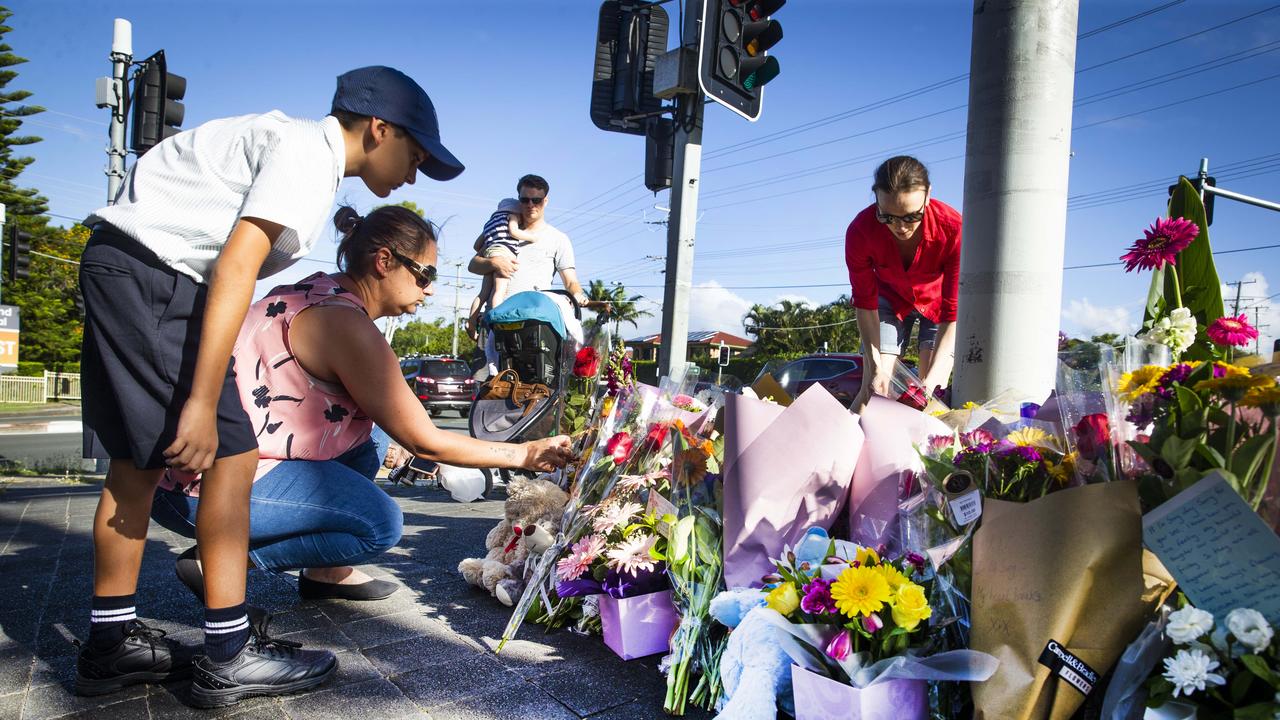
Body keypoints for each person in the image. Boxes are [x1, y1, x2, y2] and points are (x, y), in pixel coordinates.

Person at [75, 65, 464, 707]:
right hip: (156, 279)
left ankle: (112, 642)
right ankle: (226, 654)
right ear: (379, 128)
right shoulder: (308, 157)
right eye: (414, 155)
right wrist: (203, 401)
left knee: (138, 462)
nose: (414, 174)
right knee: (229, 453)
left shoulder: (293, 147)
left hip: (137, 272)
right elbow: (236, 264)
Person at [150, 205, 575, 610]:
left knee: (370, 432)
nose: (430, 288)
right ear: (384, 261)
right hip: (202, 495)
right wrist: (525, 453)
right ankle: (221, 562)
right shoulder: (345, 324)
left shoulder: (315, 290)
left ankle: (325, 571)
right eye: (425, 274)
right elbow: (424, 441)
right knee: (379, 524)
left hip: (194, 473)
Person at [845, 156, 961, 410]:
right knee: (875, 388)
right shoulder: (860, 231)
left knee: (931, 391)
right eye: (887, 217)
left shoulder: (953, 228)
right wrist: (875, 369)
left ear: (928, 195)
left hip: (937, 302)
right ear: (876, 197)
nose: (899, 227)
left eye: (911, 217)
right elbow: (865, 305)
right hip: (889, 296)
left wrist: (930, 385)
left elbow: (952, 313)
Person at [466, 174, 605, 372]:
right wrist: (494, 262)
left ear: (545, 201)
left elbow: (571, 282)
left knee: (534, 393)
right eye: (525, 200)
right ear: (518, 200)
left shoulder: (558, 239)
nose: (531, 204)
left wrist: (578, 295)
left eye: (536, 200)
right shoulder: (503, 231)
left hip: (533, 329)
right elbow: (473, 265)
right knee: (488, 393)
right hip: (494, 325)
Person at [466, 196, 540, 338]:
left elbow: (476, 246)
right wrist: (532, 237)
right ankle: (497, 321)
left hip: (490, 252)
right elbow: (514, 232)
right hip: (504, 253)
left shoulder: (491, 223)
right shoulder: (512, 216)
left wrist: (492, 242)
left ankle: (471, 321)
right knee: (499, 291)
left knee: (483, 294)